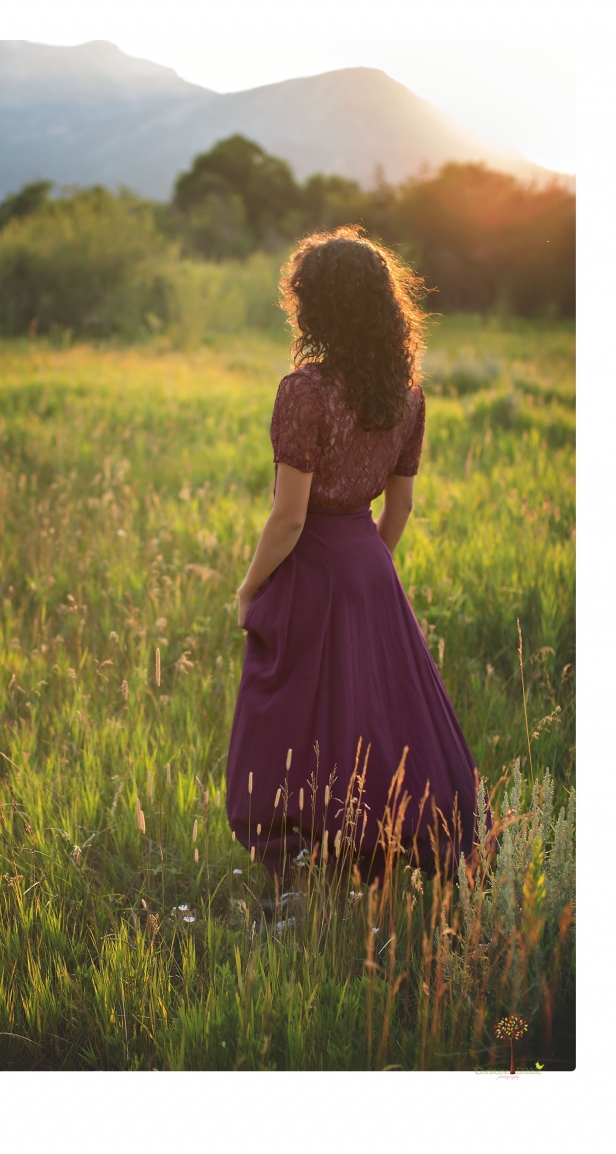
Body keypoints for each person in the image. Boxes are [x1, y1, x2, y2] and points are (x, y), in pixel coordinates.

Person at [226, 226, 485, 885]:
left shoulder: (303, 392)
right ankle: (377, 842)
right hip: (369, 564)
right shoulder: (407, 394)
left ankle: (295, 858)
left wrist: (249, 590)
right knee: (370, 710)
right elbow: (397, 510)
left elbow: (288, 517)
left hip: (311, 565)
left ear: (317, 308)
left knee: (289, 707)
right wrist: (369, 568)